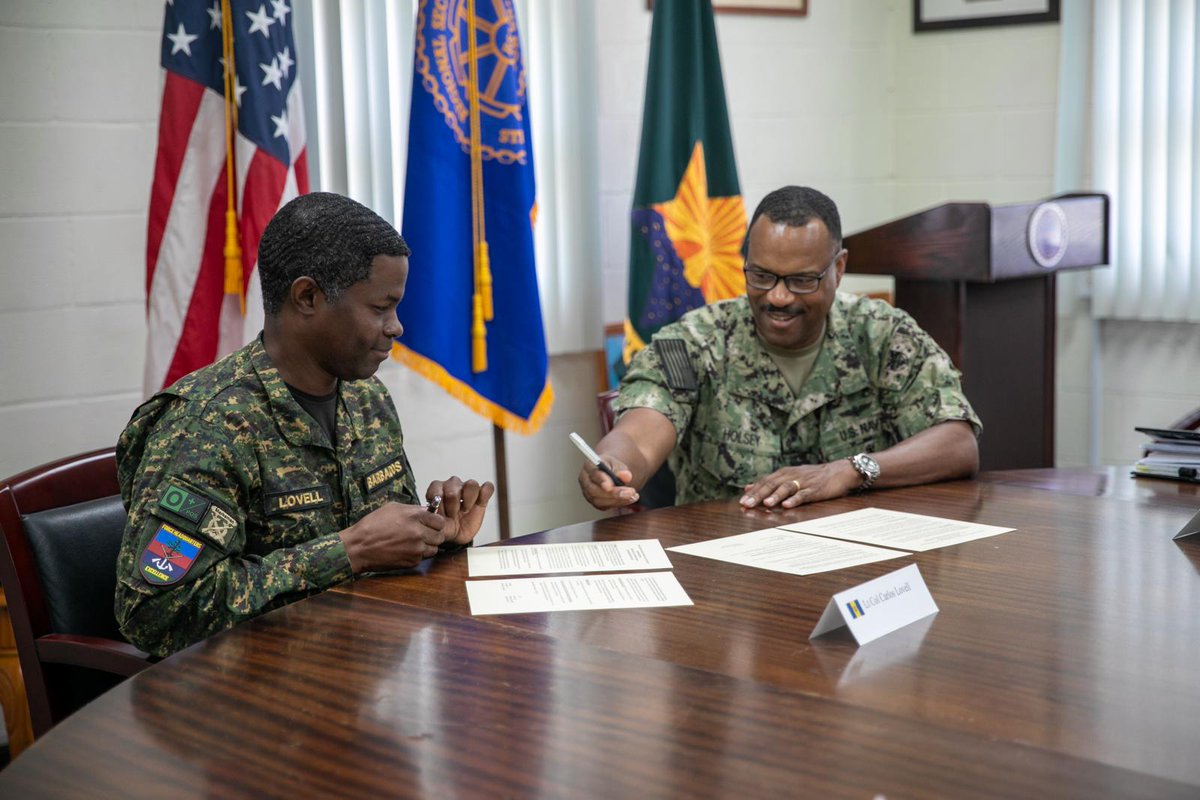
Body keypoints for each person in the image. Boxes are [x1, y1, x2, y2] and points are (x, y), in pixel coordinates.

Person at [115, 192, 494, 658]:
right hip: (252, 699)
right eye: (380, 308)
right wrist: (348, 551)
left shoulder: (365, 397)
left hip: (361, 670)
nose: (396, 327)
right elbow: (157, 613)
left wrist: (441, 537)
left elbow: (388, 557)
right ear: (308, 297)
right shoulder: (208, 425)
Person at [579, 185, 980, 512]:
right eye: (762, 276)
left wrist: (851, 470)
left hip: (857, 560)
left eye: (801, 280)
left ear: (838, 269)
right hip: (726, 569)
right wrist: (612, 465)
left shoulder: (882, 335)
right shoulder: (694, 342)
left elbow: (957, 444)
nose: (779, 297)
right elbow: (639, 435)